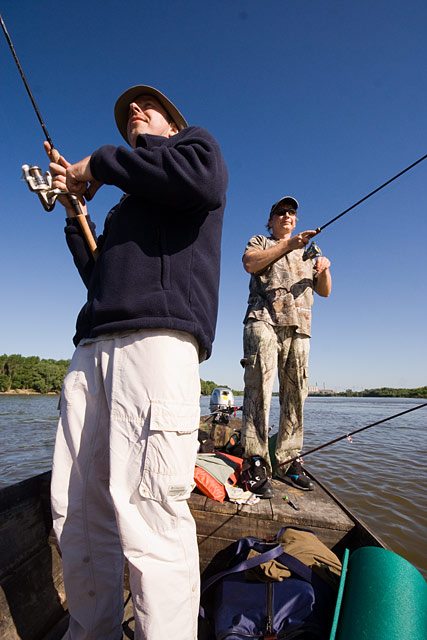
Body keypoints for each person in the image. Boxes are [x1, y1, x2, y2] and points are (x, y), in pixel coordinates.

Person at [44, 85, 228, 640]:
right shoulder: (127, 206)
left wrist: (99, 163)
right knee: (76, 509)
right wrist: (76, 209)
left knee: (151, 515)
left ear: (173, 123)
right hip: (91, 351)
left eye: (147, 110)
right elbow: (100, 278)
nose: (134, 114)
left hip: (157, 347)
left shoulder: (198, 150)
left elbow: (200, 179)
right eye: (128, 116)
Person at [240, 196, 331, 498]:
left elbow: (324, 291)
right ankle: (255, 459)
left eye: (292, 213)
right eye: (281, 212)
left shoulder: (309, 251)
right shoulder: (261, 242)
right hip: (263, 320)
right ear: (271, 221)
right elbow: (250, 264)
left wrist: (324, 268)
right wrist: (289, 246)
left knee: (296, 396)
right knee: (259, 390)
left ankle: (288, 460)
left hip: (300, 327)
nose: (287, 216)